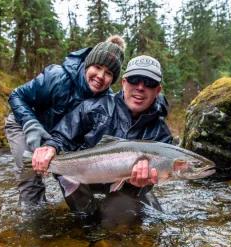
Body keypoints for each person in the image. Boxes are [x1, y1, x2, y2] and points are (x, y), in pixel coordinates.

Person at [32, 55, 173, 216]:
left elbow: (156, 178)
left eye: (149, 83)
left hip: (127, 187)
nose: (140, 87)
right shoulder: (93, 107)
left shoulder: (162, 135)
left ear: (158, 90)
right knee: (88, 221)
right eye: (135, 79)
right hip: (83, 177)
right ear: (124, 83)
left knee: (120, 225)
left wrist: (141, 184)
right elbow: (62, 135)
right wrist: (50, 147)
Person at [4, 35, 126, 206]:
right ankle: (32, 224)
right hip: (23, 125)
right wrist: (30, 124)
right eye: (97, 67)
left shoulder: (107, 104)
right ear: (87, 65)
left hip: (62, 140)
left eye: (108, 73)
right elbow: (16, 96)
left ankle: (85, 220)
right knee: (31, 178)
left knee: (77, 182)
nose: (100, 76)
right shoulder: (57, 76)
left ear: (113, 80)